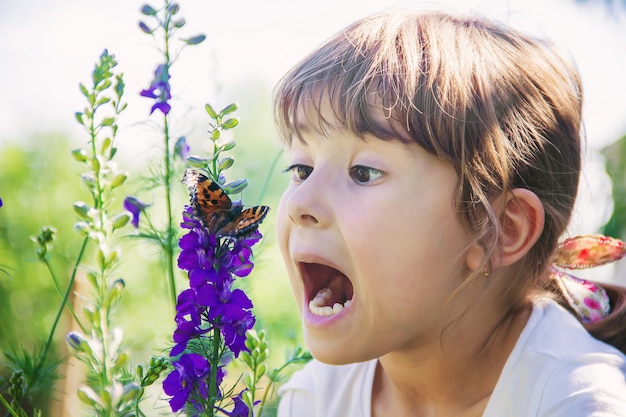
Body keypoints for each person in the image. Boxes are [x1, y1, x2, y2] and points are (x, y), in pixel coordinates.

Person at [271, 9, 626, 417]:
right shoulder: (315, 400)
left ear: (497, 231)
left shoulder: (576, 402)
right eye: (301, 169)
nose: (299, 204)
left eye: (363, 172)